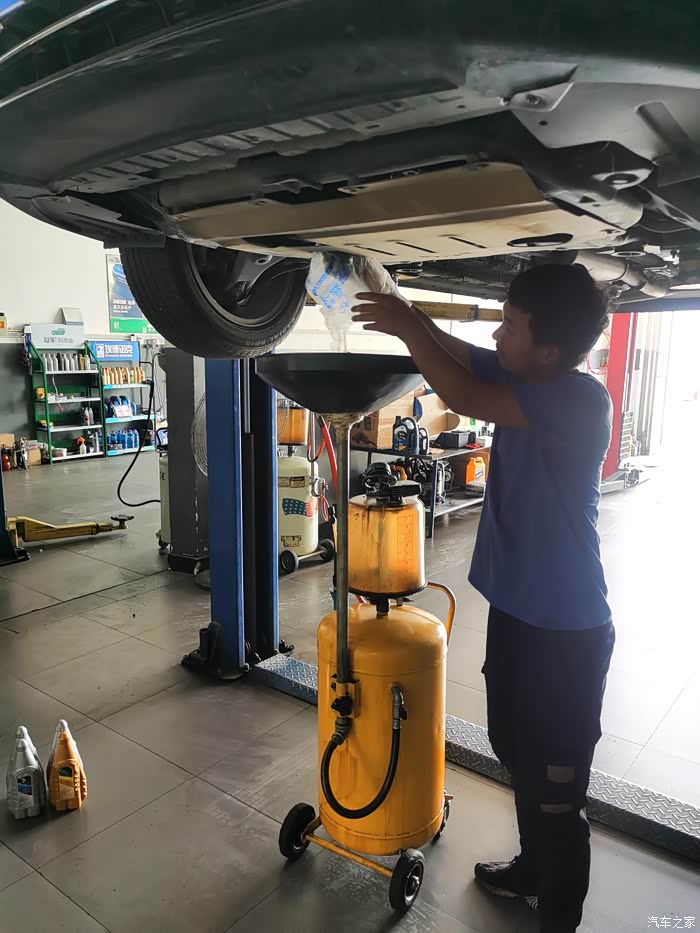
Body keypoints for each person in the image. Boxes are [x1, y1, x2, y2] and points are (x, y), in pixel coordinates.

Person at [352, 264, 615, 933]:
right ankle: (533, 868)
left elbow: (463, 390)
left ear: (548, 351)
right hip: (519, 616)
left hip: (566, 634)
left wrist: (406, 326)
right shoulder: (529, 372)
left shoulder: (579, 401)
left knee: (557, 793)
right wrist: (408, 311)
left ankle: (559, 916)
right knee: (515, 749)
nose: (497, 335)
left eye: (510, 325)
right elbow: (466, 356)